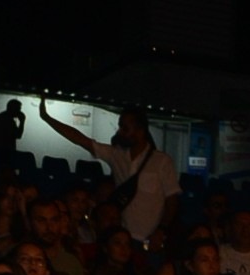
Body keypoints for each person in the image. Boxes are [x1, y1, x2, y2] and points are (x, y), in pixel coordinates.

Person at [39, 105, 179, 248]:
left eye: (125, 128)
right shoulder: (116, 155)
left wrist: (161, 230)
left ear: (140, 130)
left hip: (149, 240)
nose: (120, 132)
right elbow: (81, 140)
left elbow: (172, 200)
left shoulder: (162, 161)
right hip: (120, 237)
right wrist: (48, 119)